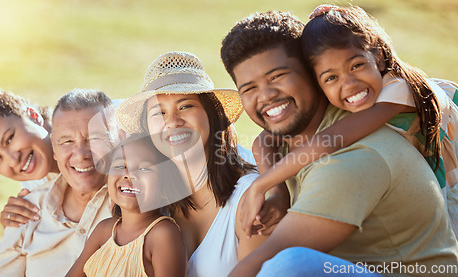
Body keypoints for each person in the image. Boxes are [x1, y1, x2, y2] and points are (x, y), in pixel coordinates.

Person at [220, 10, 458, 276]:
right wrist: (274, 190)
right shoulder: (287, 139)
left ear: (312, 75)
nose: (266, 95)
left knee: (288, 265)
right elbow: (264, 141)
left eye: (277, 77)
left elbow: (263, 262)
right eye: (249, 88)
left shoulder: (359, 153)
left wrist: (264, 185)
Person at [114, 51, 287, 276]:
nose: (173, 122)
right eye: (159, 112)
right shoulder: (151, 200)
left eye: (185, 106)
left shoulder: (250, 198)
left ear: (212, 115)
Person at [0, 89, 113, 277]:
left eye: (94, 138)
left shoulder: (134, 203)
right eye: (67, 141)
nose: (80, 154)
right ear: (54, 145)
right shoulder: (28, 210)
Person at [66, 135, 187, 277]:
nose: (128, 175)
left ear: (165, 186)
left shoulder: (162, 234)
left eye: (144, 169)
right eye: (120, 166)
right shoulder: (103, 230)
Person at [0, 87, 59, 227]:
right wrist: (15, 230)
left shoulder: (91, 141)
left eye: (9, 139)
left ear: (33, 116)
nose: (13, 160)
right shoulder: (34, 192)